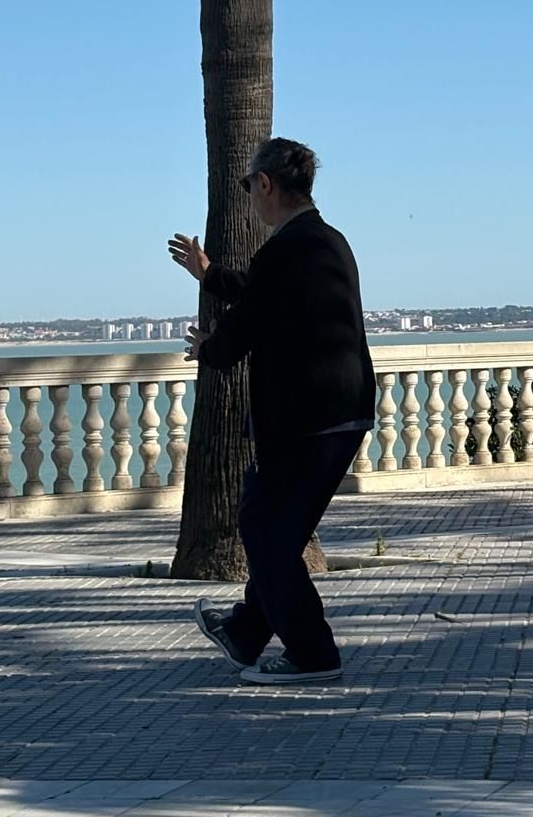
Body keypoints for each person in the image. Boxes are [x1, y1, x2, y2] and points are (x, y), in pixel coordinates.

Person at [168, 137, 375, 684]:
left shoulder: (288, 248)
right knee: (278, 533)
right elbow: (267, 296)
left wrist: (209, 349)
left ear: (265, 184)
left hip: (305, 418)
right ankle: (244, 633)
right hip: (343, 412)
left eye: (248, 187)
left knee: (263, 530)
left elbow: (248, 324)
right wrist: (210, 275)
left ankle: (313, 653)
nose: (249, 199)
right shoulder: (326, 241)